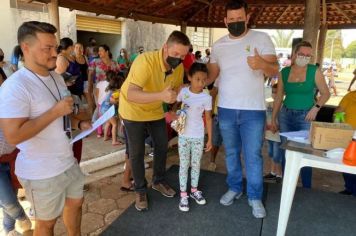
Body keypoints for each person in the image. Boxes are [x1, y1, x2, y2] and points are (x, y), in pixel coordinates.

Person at [0, 21, 88, 236]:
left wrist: (79, 123)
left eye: (55, 47)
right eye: (47, 48)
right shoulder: (15, 86)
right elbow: (13, 135)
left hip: (66, 160)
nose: (53, 53)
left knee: (75, 205)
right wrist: (55, 112)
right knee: (46, 224)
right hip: (41, 172)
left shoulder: (56, 78)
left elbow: (64, 115)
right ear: (26, 48)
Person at [207, 0, 279, 218]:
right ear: (225, 21)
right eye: (232, 20)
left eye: (240, 19)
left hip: (253, 111)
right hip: (226, 109)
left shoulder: (262, 39)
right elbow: (211, 76)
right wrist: (192, 85)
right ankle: (235, 188)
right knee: (230, 153)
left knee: (253, 156)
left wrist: (262, 65)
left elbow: (275, 71)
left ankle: (255, 196)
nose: (236, 22)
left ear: (247, 18)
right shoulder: (218, 45)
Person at [119, 30, 190, 211]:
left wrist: (178, 96)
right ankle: (140, 189)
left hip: (155, 111)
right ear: (165, 47)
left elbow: (172, 90)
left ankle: (158, 180)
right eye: (175, 54)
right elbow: (131, 93)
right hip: (133, 111)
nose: (179, 59)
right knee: (137, 152)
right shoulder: (145, 61)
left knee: (161, 145)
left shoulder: (179, 67)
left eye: (182, 56)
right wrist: (162, 96)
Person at [271, 41, 330, 189]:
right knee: (287, 151)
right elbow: (279, 97)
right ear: (294, 54)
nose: (304, 57)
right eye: (301, 54)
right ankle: (287, 185)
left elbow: (326, 93)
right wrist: (273, 118)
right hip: (286, 115)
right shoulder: (284, 72)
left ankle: (306, 187)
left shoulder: (314, 71)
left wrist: (316, 108)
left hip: (306, 116)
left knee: (305, 153)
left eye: (308, 55)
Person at [175, 62, 212, 212]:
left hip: (198, 136)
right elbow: (175, 106)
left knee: (196, 164)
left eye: (204, 80)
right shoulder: (183, 92)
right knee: (184, 165)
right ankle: (183, 195)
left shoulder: (206, 97)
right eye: (197, 79)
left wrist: (209, 139)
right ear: (189, 77)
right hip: (183, 135)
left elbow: (208, 118)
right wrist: (176, 113)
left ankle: (194, 190)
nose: (201, 83)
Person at [334, 90, 356, 196]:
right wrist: (337, 117)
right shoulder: (351, 95)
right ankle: (349, 188)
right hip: (347, 136)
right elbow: (339, 111)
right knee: (346, 162)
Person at [264, 84, 282, 183]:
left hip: (278, 135)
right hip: (269, 134)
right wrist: (266, 126)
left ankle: (279, 174)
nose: (274, 94)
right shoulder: (268, 103)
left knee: (277, 156)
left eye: (277, 92)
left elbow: (283, 121)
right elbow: (265, 116)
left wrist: (277, 127)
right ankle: (273, 172)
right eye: (273, 92)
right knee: (271, 154)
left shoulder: (283, 105)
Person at [100, 71, 124, 145]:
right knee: (114, 124)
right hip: (108, 109)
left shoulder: (109, 90)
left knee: (108, 122)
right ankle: (114, 141)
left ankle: (105, 137)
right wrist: (117, 102)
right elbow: (112, 100)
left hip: (103, 108)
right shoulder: (116, 92)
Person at [208, 79, 222, 171]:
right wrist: (211, 112)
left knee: (232, 144)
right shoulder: (219, 78)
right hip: (218, 114)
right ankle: (212, 162)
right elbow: (213, 94)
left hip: (231, 115)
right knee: (215, 141)